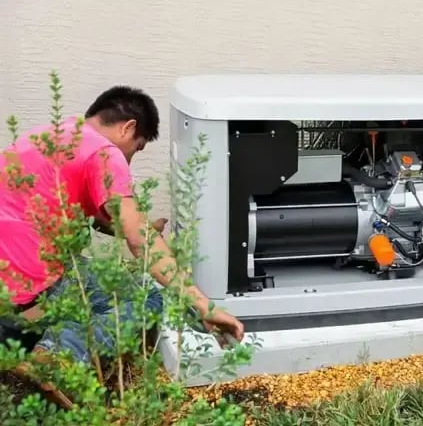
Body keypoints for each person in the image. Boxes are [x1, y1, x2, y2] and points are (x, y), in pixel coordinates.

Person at [0, 86, 245, 402]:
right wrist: (203, 305)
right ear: (128, 127)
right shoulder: (104, 152)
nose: (129, 157)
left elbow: (92, 215)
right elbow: (139, 240)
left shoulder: (50, 136)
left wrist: (135, 226)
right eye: (137, 147)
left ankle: (17, 335)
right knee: (149, 297)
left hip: (8, 281)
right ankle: (55, 359)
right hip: (27, 281)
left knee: (89, 282)